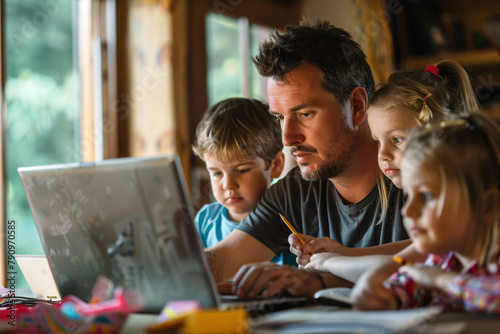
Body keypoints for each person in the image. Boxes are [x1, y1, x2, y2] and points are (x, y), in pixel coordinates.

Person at [208, 19, 410, 300]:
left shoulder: (419, 179)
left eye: (304, 114)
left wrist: (316, 280)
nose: (287, 138)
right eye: (280, 118)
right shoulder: (294, 192)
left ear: (356, 106)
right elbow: (221, 262)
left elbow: (445, 262)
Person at [303, 60, 482, 281]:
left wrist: (332, 263)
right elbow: (412, 251)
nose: (383, 155)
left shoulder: (462, 198)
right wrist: (345, 253)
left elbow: (399, 266)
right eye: (378, 142)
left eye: (396, 140)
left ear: (442, 136)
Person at [357, 113, 500, 313]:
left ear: (486, 205)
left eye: (426, 197)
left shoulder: (442, 272)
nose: (408, 211)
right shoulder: (441, 260)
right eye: (408, 195)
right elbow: (406, 287)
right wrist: (383, 296)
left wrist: (443, 280)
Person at [192, 97, 296, 267]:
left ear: (276, 165)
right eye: (217, 173)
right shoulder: (205, 220)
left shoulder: (287, 220)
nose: (228, 184)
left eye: (240, 170)